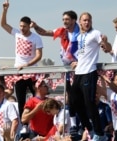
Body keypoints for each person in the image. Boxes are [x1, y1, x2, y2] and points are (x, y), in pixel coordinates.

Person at [31, 10, 80, 138]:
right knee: (70, 96)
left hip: (80, 68)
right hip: (68, 68)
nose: (64, 21)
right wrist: (35, 26)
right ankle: (74, 125)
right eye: (63, 19)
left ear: (74, 20)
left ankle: (80, 125)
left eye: (67, 19)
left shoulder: (81, 34)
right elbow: (44, 32)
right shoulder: (62, 31)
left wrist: (79, 62)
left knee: (79, 98)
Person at [70, 12, 112, 141]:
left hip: (89, 72)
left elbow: (107, 48)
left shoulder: (95, 33)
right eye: (84, 20)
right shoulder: (78, 36)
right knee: (74, 102)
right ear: (80, 22)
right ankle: (89, 128)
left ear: (91, 21)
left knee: (90, 103)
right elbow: (80, 53)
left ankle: (100, 134)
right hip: (78, 73)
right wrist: (75, 61)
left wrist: (105, 42)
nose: (87, 23)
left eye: (89, 20)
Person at [0, 0, 43, 119]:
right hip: (19, 72)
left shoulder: (36, 38)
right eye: (21, 26)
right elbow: (3, 24)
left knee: (36, 97)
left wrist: (27, 65)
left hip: (32, 72)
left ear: (30, 25)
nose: (22, 28)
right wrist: (5, 10)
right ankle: (23, 122)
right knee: (20, 98)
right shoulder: (17, 33)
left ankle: (37, 119)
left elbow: (39, 55)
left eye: (24, 26)